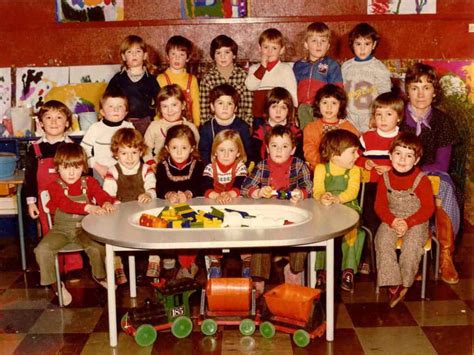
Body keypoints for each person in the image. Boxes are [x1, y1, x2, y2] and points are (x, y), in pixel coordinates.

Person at [34, 143, 116, 306]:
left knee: (98, 248)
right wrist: (87, 207)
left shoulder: (90, 182)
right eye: (66, 167)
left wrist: (106, 202)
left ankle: (99, 276)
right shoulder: (54, 186)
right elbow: (65, 204)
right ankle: (57, 286)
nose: (71, 172)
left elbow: (101, 195)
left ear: (83, 166)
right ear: (58, 168)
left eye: (76, 167)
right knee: (42, 250)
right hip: (60, 230)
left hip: (85, 229)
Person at [400, 62, 460, 284]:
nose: (421, 93)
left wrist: (417, 174)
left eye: (426, 87)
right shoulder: (396, 117)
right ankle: (411, 255)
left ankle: (446, 254)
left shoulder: (442, 121)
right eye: (415, 87)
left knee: (442, 185)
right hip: (401, 176)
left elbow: (442, 164)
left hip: (433, 177)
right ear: (407, 91)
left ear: (434, 92)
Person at [241, 125, 313, 293]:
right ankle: (258, 279)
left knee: (300, 240)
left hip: (293, 216)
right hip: (269, 217)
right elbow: (245, 187)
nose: (279, 150)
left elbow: (310, 187)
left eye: (284, 146)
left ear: (293, 149)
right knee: (261, 242)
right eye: (274, 146)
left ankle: (294, 270)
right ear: (267, 148)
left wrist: (301, 193)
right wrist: (257, 192)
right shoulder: (262, 166)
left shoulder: (299, 165)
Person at [375, 133, 435, 307]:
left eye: (409, 156)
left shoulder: (421, 180)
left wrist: (408, 222)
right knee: (382, 241)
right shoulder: (384, 178)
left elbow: (427, 209)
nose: (402, 159)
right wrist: (393, 221)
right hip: (391, 218)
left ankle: (405, 281)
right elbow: (380, 206)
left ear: (416, 161)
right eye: (398, 153)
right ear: (390, 155)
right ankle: (392, 280)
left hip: (417, 220)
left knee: (411, 246)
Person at [25, 100, 83, 278]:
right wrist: (31, 202)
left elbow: (82, 174)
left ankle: (74, 267)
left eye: (59, 117)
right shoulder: (34, 148)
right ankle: (56, 268)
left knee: (72, 229)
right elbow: (30, 178)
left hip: (70, 199)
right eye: (48, 117)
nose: (53, 121)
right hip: (45, 202)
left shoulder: (73, 147)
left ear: (67, 122)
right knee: (50, 232)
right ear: (40, 123)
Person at [356, 92, 403, 274]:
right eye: (378, 114)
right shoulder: (366, 138)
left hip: (396, 189)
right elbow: (356, 158)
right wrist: (364, 163)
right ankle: (370, 258)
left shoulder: (402, 139)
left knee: (393, 221)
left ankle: (394, 258)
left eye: (389, 114)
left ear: (398, 117)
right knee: (370, 219)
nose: (383, 119)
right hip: (371, 187)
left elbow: (411, 163)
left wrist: (392, 168)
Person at [313, 129, 365, 292]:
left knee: (354, 232)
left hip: (348, 207)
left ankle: (348, 270)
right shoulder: (321, 169)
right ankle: (322, 271)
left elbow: (352, 192)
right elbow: (318, 190)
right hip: (327, 209)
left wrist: (338, 199)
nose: (357, 156)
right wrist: (323, 196)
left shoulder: (355, 170)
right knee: (322, 231)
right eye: (353, 152)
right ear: (335, 154)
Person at [154, 124, 205, 280]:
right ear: (167, 148)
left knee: (190, 229)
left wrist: (188, 193)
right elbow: (160, 187)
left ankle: (188, 264)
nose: (179, 152)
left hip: (191, 208)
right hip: (170, 208)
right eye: (174, 148)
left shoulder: (198, 166)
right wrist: (168, 194)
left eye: (184, 148)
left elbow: (200, 186)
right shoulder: (162, 167)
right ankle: (168, 255)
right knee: (163, 226)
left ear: (192, 148)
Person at [202, 129, 249, 278]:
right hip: (216, 206)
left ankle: (247, 260)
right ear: (215, 152)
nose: (226, 154)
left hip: (236, 206)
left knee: (245, 229)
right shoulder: (210, 167)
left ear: (238, 153)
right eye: (222, 150)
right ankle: (215, 260)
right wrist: (217, 196)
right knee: (212, 230)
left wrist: (230, 193)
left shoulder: (240, 166)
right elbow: (204, 187)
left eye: (231, 150)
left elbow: (241, 183)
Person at [341, 23, 391, 133]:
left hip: (370, 116)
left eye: (367, 44)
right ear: (352, 45)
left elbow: (385, 95)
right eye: (358, 44)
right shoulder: (346, 66)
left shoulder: (378, 67)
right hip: (350, 116)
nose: (362, 48)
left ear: (374, 45)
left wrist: (377, 115)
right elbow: (341, 91)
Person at [106, 35, 160, 136]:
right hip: (123, 123)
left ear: (145, 55)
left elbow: (159, 102)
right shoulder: (118, 79)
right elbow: (107, 100)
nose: (134, 55)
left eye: (138, 51)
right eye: (129, 52)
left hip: (146, 123)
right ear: (123, 56)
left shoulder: (151, 80)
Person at [293, 22, 343, 129]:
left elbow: (337, 91)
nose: (318, 45)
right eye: (314, 41)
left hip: (322, 109)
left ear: (328, 45)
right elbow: (292, 89)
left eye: (323, 41)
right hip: (302, 109)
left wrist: (336, 111)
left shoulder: (332, 65)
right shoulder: (298, 66)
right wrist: (294, 111)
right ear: (306, 44)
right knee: (306, 136)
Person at [81, 88, 134, 185]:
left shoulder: (129, 126)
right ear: (102, 112)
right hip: (102, 170)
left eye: (120, 106)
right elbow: (83, 150)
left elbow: (136, 149)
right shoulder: (95, 128)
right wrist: (97, 166)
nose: (116, 109)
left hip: (126, 169)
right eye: (110, 106)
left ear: (126, 112)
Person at [199, 34, 253, 126]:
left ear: (234, 55)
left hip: (238, 125)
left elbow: (249, 106)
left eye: (227, 52)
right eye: (218, 53)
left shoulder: (244, 76)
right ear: (214, 56)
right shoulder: (207, 78)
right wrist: (208, 128)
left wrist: (247, 126)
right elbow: (204, 108)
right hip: (215, 126)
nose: (222, 57)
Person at [245, 28, 298, 120]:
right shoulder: (254, 69)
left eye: (274, 48)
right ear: (259, 48)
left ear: (281, 50)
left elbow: (292, 91)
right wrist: (262, 67)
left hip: (280, 114)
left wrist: (294, 113)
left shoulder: (285, 69)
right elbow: (250, 86)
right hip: (259, 114)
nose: (269, 52)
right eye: (266, 47)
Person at [303, 84, 359, 171]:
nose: (329, 107)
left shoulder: (348, 127)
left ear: (340, 105)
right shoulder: (310, 128)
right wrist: (323, 164)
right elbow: (309, 152)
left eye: (334, 103)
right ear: (318, 104)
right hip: (318, 169)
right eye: (325, 102)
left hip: (343, 171)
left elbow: (356, 149)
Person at [143, 84, 200, 165]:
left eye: (174, 105)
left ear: (183, 105)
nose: (170, 110)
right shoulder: (154, 126)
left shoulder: (191, 127)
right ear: (159, 108)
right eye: (165, 106)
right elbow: (145, 148)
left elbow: (196, 149)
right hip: (160, 167)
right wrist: (151, 163)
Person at [198, 84, 252, 165]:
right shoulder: (207, 128)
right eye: (220, 103)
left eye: (229, 103)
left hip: (237, 168)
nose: (225, 107)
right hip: (213, 169)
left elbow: (247, 152)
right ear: (212, 106)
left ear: (235, 108)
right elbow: (203, 153)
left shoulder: (242, 127)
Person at [251, 87, 303, 164]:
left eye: (283, 107)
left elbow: (299, 156)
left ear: (289, 110)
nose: (278, 111)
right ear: (267, 108)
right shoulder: (260, 132)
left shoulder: (295, 131)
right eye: (274, 106)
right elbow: (255, 157)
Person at [157, 35, 200, 126]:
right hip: (165, 125)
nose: (177, 58)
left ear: (187, 58)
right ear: (167, 56)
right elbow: (158, 106)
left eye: (181, 54)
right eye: (173, 54)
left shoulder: (192, 79)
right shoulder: (161, 78)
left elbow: (196, 105)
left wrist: (196, 125)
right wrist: (157, 124)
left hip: (187, 125)